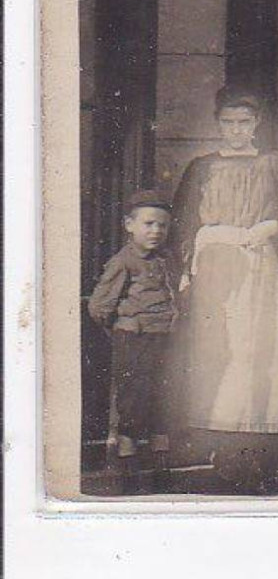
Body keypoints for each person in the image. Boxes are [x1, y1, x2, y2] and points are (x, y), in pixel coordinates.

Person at [172, 89, 278, 493]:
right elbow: (182, 221)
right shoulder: (201, 168)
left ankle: (252, 437)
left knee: (253, 349)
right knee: (215, 348)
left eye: (244, 123)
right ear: (218, 124)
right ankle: (213, 439)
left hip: (254, 260)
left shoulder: (272, 163)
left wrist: (268, 228)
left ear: (256, 125)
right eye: (229, 123)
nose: (236, 131)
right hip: (213, 263)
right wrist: (186, 266)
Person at [88, 189, 179, 493]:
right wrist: (122, 328)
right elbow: (99, 307)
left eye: (162, 226)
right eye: (148, 224)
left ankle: (160, 456)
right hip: (134, 337)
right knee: (132, 396)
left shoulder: (165, 259)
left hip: (162, 335)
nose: (156, 231)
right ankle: (127, 455)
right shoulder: (123, 261)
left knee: (162, 393)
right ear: (129, 224)